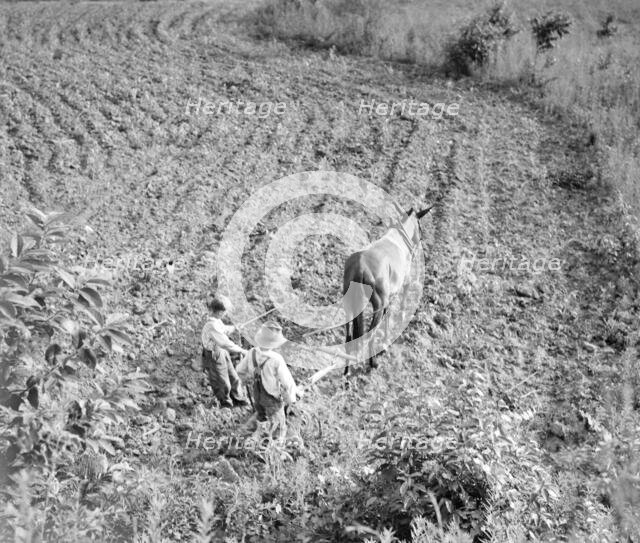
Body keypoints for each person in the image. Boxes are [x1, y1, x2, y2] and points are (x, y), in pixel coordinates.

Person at [236, 321, 303, 443]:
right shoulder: (276, 359)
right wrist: (293, 397)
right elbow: (287, 381)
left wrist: (241, 383)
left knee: (261, 416)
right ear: (274, 343)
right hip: (271, 398)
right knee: (279, 424)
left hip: (256, 394)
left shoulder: (252, 352)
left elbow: (240, 370)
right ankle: (275, 448)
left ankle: (257, 437)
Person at [201, 295, 248, 408]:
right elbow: (225, 343)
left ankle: (238, 398)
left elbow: (223, 330)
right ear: (219, 312)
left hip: (222, 352)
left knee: (234, 377)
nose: (225, 314)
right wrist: (241, 350)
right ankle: (225, 403)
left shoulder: (217, 321)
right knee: (222, 382)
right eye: (224, 312)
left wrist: (234, 328)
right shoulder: (211, 325)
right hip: (214, 354)